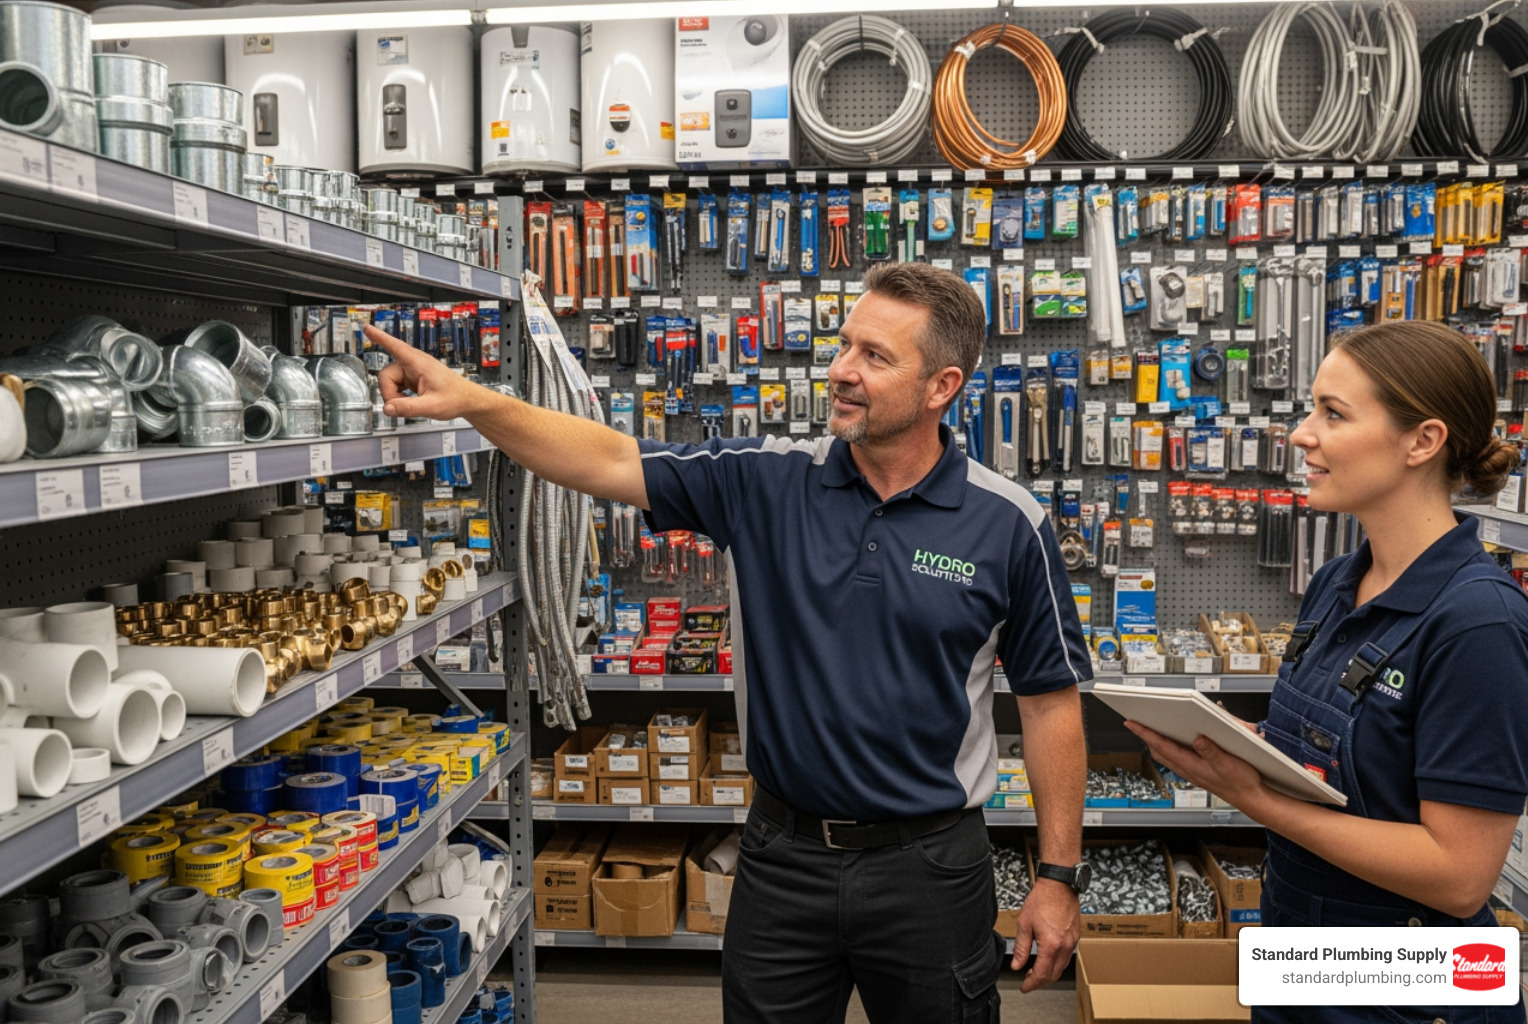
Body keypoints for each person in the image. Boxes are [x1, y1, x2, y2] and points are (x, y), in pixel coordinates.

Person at [368, 261, 1092, 1023]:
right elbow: (609, 458)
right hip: (784, 860)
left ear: (941, 386)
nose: (841, 370)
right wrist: (474, 401)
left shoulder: (1009, 523)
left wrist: (1057, 876)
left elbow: (1050, 705)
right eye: (844, 345)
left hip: (932, 869)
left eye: (875, 357)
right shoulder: (764, 481)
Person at [1125, 321, 1528, 1024]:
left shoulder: (1479, 623)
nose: (1299, 434)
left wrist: (1257, 797)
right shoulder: (1340, 581)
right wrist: (1242, 746)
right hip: (1301, 952)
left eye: (1333, 413)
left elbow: (1460, 877)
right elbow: (1349, 762)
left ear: (1422, 440)